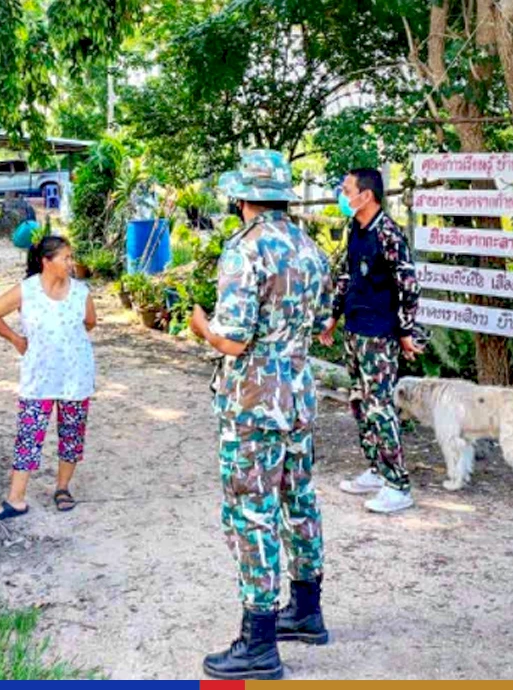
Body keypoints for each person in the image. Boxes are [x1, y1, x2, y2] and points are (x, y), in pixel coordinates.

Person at [188, 150, 333, 680]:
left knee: (251, 511)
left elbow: (233, 338)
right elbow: (323, 325)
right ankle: (308, 610)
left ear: (242, 196)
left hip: (254, 399)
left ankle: (259, 641)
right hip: (298, 391)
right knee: (299, 498)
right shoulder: (313, 250)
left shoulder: (245, 251)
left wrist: (202, 326)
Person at [318, 168, 423, 514]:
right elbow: (347, 274)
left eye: (347, 190)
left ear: (366, 196)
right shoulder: (356, 229)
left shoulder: (389, 234)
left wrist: (405, 332)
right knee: (360, 401)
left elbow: (409, 284)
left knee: (380, 407)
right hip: (355, 328)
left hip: (379, 334)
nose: (342, 195)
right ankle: (377, 469)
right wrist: (334, 315)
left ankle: (398, 484)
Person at [0, 236, 97, 518]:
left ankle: (62, 488)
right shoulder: (27, 290)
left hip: (76, 375)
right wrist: (16, 340)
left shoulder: (81, 292)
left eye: (72, 257)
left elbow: (90, 322)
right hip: (39, 377)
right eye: (65, 258)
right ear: (46, 262)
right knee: (29, 435)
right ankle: (16, 499)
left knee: (72, 434)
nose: (71, 263)